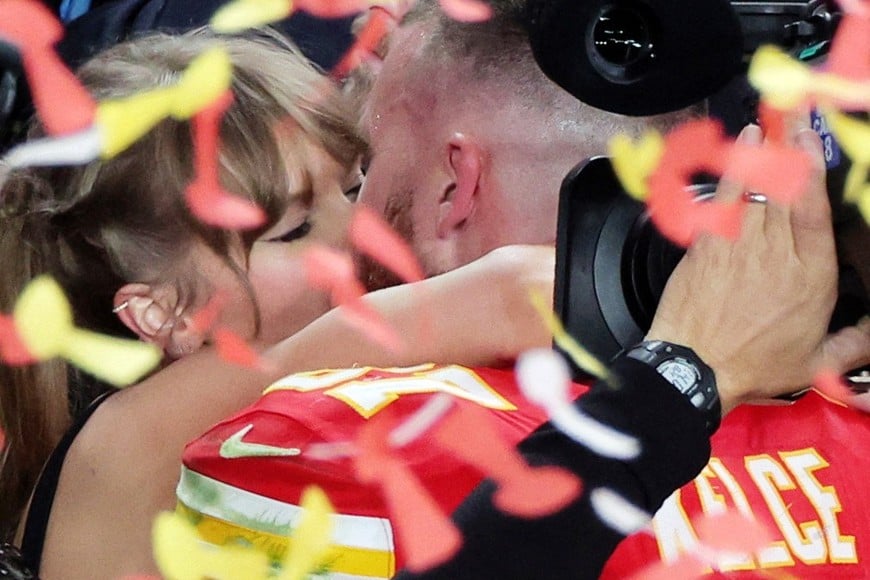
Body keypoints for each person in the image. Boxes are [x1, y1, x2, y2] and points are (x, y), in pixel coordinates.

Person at [176, 2, 869, 580]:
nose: (351, 219)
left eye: (367, 171)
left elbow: (117, 483)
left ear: (456, 187)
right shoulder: (846, 405)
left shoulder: (330, 438)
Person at [0, 28, 554, 579]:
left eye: (354, 186)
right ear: (161, 312)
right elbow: (335, 345)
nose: (357, 227)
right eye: (297, 230)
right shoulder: (124, 440)